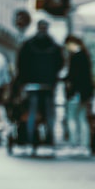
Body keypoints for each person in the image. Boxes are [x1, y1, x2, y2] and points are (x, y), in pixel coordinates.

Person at [16, 19, 64, 153]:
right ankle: (50, 139)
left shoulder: (28, 44)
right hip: (48, 84)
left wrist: (22, 81)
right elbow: (60, 63)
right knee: (49, 113)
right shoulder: (54, 46)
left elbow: (21, 64)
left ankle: (30, 140)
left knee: (32, 112)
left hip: (31, 84)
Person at [63, 35, 94, 156]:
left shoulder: (75, 57)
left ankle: (74, 143)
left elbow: (73, 76)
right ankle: (85, 145)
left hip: (75, 93)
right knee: (82, 118)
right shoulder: (86, 55)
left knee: (72, 118)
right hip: (85, 93)